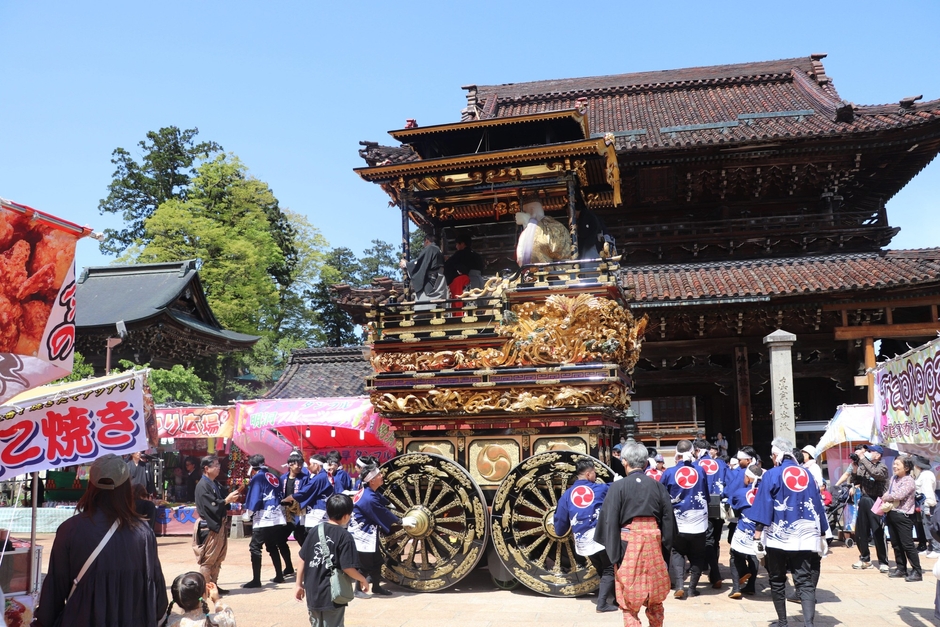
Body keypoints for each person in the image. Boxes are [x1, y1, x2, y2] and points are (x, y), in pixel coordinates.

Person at [34, 453, 168, 627]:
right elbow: (158, 600)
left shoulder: (70, 530)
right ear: (126, 488)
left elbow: (53, 595)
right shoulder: (143, 533)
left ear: (91, 486)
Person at [595, 441, 676, 627]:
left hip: (627, 544)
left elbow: (609, 520)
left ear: (624, 462)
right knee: (655, 596)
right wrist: (665, 548)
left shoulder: (618, 487)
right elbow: (668, 520)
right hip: (654, 543)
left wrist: (614, 554)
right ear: (646, 463)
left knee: (628, 600)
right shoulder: (657, 486)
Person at [750, 437, 828, 627]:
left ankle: (783, 622)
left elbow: (764, 505)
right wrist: (823, 533)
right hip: (805, 536)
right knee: (804, 580)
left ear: (776, 455)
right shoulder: (807, 474)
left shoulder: (772, 474)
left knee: (777, 580)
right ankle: (809, 624)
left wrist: (757, 536)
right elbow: (817, 504)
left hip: (778, 536)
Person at [296, 494, 370, 627]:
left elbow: (302, 559)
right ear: (346, 516)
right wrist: (362, 579)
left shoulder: (314, 531)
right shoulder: (345, 536)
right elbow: (348, 568)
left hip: (313, 592)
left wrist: (298, 585)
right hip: (332, 593)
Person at [553, 459, 615, 612]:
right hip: (599, 537)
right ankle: (602, 604)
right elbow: (614, 489)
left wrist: (560, 531)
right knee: (609, 569)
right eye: (594, 473)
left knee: (601, 568)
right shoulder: (600, 489)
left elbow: (560, 522)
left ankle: (614, 598)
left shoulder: (567, 495)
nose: (595, 475)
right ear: (588, 474)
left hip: (582, 540)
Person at [659, 439, 709, 598]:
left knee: (677, 552)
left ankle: (680, 585)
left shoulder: (669, 472)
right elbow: (706, 496)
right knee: (698, 555)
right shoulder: (700, 471)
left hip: (677, 522)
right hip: (699, 521)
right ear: (692, 451)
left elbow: (661, 498)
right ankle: (692, 588)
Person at [348, 463, 401, 597]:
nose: (381, 476)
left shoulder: (369, 492)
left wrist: (389, 503)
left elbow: (381, 501)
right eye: (378, 475)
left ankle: (376, 587)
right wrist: (400, 521)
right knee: (365, 564)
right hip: (362, 533)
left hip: (367, 531)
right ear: (371, 480)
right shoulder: (368, 498)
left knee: (377, 561)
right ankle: (357, 590)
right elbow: (381, 512)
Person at [193, 455, 241, 593]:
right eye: (215, 465)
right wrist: (226, 500)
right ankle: (205, 588)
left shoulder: (214, 483)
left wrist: (229, 498)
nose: (218, 467)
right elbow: (211, 505)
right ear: (206, 468)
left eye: (218, 465)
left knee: (218, 558)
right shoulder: (203, 485)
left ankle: (213, 585)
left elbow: (221, 501)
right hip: (210, 525)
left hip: (218, 524)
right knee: (208, 560)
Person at [241, 454, 288, 588]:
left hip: (264, 517)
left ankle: (256, 580)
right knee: (272, 546)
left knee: (255, 547)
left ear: (252, 467)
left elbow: (255, 498)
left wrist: (248, 513)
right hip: (277, 516)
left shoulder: (258, 477)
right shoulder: (274, 476)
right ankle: (279, 575)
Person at [847, 443, 890, 572]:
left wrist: (862, 458)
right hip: (864, 499)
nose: (868, 453)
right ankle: (865, 558)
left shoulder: (882, 467)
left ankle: (883, 561)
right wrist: (855, 469)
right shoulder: (863, 465)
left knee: (877, 531)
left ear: (878, 455)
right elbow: (855, 481)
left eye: (870, 451)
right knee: (861, 532)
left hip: (876, 500)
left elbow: (875, 473)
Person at [694, 438, 728, 589]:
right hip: (718, 504)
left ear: (697, 450)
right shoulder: (721, 464)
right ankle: (713, 572)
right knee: (715, 539)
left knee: (706, 539)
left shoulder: (696, 465)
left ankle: (715, 574)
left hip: (703, 505)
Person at [882, 455, 923, 581]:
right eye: (894, 464)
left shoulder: (908, 480)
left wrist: (886, 497)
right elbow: (889, 492)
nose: (894, 466)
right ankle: (901, 568)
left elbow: (898, 495)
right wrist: (887, 496)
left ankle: (917, 571)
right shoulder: (894, 478)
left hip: (904, 515)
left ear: (906, 468)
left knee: (907, 544)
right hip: (892, 513)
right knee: (896, 544)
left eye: (898, 465)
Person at [727, 464, 763, 599]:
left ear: (748, 477)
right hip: (761, 532)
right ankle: (751, 586)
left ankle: (736, 588)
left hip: (744, 530)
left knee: (734, 555)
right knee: (754, 556)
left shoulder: (741, 493)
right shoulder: (767, 493)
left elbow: (733, 506)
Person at [161, 571, 236, 627]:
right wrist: (216, 600)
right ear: (203, 596)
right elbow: (229, 617)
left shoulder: (169, 621)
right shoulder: (216, 621)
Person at [400, 234, 447, 310]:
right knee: (439, 306)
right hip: (439, 279)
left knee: (425, 306)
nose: (423, 245)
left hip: (431, 281)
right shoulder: (438, 250)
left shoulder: (430, 248)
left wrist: (406, 265)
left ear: (427, 241)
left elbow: (420, 263)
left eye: (424, 242)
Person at [281, 451, 312, 549]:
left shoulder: (305, 478)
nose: (299, 467)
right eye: (297, 464)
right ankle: (287, 560)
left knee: (300, 535)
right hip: (286, 511)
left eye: (301, 464)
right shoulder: (283, 478)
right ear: (290, 464)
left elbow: (306, 493)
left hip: (299, 510)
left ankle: (307, 556)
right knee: (280, 539)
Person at [912, 455, 939, 556]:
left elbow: (928, 491)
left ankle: (937, 549)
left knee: (931, 526)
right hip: (922, 504)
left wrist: (927, 506)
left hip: (928, 503)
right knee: (926, 527)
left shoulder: (926, 475)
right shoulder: (922, 474)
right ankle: (930, 547)